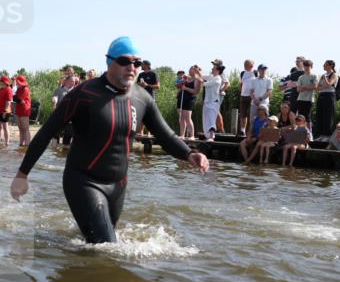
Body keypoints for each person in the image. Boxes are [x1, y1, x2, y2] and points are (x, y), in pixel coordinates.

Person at [11, 36, 208, 244]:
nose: (132, 67)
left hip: (118, 185)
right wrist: (22, 175)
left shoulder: (142, 98)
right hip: (83, 181)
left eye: (137, 63)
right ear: (109, 62)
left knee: (99, 246)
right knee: (106, 245)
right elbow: (46, 133)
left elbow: (165, 135)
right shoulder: (84, 93)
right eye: (124, 61)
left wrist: (189, 154)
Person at [314, 60, 339, 140]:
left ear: (330, 66)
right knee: (320, 115)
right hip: (321, 95)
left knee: (328, 116)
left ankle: (327, 135)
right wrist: (323, 85)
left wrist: (325, 79)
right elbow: (317, 88)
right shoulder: (323, 75)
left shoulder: (334, 74)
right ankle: (320, 135)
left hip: (329, 96)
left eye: (325, 65)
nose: (323, 66)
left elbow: (329, 84)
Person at [177, 65, 201, 138]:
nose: (189, 71)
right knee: (181, 117)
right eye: (189, 69)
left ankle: (192, 135)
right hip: (182, 98)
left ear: (195, 71)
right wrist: (181, 84)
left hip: (189, 99)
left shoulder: (197, 80)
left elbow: (196, 91)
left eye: (191, 69)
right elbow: (180, 86)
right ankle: (182, 135)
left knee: (187, 118)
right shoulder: (186, 78)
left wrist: (186, 88)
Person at [201, 63, 224, 140]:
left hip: (214, 102)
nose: (212, 69)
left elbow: (206, 84)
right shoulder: (211, 76)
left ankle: (212, 136)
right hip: (207, 101)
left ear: (218, 70)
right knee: (206, 120)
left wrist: (200, 80)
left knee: (211, 119)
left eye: (213, 68)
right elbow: (201, 76)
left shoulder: (218, 79)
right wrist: (197, 71)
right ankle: (208, 136)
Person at [295, 59, 317, 125]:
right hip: (300, 99)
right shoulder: (301, 77)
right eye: (305, 66)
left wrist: (303, 86)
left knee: (307, 116)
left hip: (309, 99)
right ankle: (301, 129)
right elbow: (298, 89)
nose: (306, 67)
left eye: (308, 66)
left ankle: (309, 130)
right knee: (300, 117)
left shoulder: (314, 76)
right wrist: (309, 87)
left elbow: (315, 86)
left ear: (311, 67)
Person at [237, 60, 257, 136]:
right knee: (243, 114)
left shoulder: (256, 72)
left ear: (252, 65)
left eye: (246, 64)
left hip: (253, 96)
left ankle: (251, 131)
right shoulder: (242, 73)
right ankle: (242, 130)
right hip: (243, 96)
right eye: (244, 64)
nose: (245, 66)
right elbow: (241, 84)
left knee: (252, 114)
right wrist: (241, 92)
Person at [0, 75, 13, 146]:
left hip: (5, 111)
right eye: (0, 82)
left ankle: (7, 142)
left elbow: (8, 101)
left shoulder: (8, 89)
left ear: (5, 82)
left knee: (5, 127)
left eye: (2, 82)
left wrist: (5, 111)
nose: (0, 83)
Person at [14, 74, 32, 147]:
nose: (17, 83)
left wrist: (15, 97)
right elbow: (17, 99)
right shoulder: (19, 89)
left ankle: (27, 144)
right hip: (19, 109)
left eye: (17, 82)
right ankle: (21, 144)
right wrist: (15, 97)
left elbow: (19, 99)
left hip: (25, 109)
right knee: (20, 128)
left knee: (25, 128)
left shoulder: (25, 89)